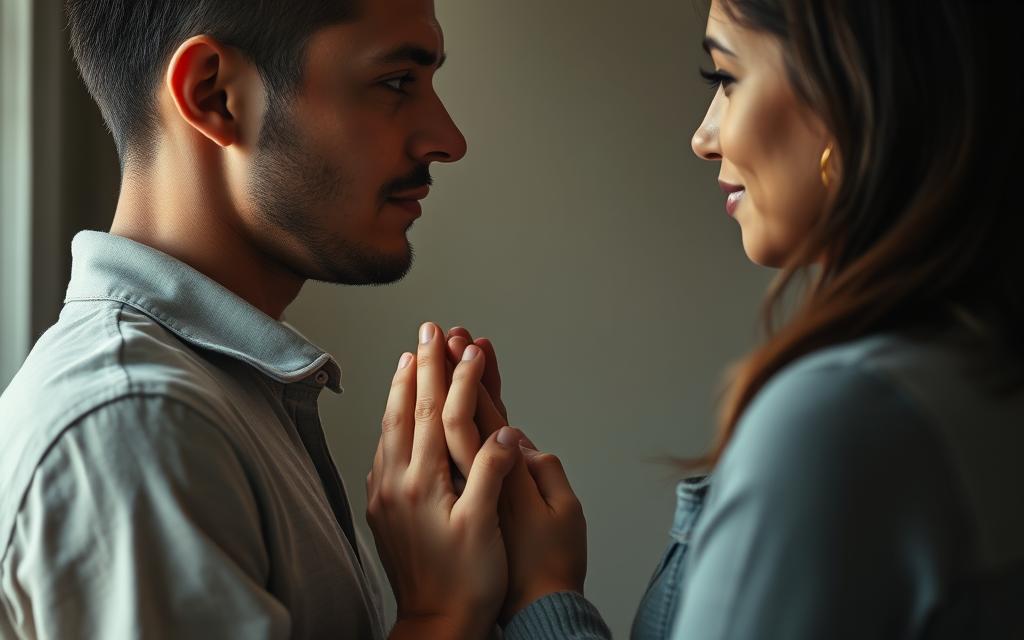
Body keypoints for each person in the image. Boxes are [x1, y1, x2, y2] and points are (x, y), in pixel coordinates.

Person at [367, 0, 1024, 637]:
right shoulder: (976, 370)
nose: (703, 137)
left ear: (853, 89)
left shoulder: (846, 421)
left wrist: (537, 598)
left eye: (727, 78)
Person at [0, 0, 483, 637]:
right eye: (396, 83)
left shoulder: (212, 399)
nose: (448, 140)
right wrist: (440, 614)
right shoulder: (135, 421)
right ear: (215, 95)